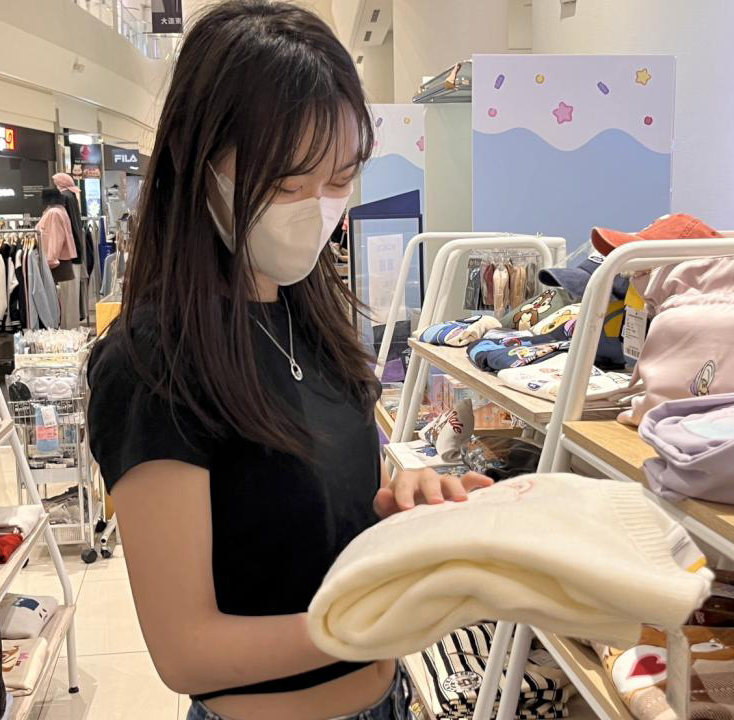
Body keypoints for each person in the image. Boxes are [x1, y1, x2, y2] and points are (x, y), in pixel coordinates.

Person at [85, 2, 492, 719]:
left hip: (389, 701)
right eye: (287, 185)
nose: (320, 207)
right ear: (196, 162)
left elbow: (321, 516)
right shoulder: (153, 364)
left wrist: (406, 506)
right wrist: (375, 623)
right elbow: (186, 653)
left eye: (340, 180)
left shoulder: (314, 318)